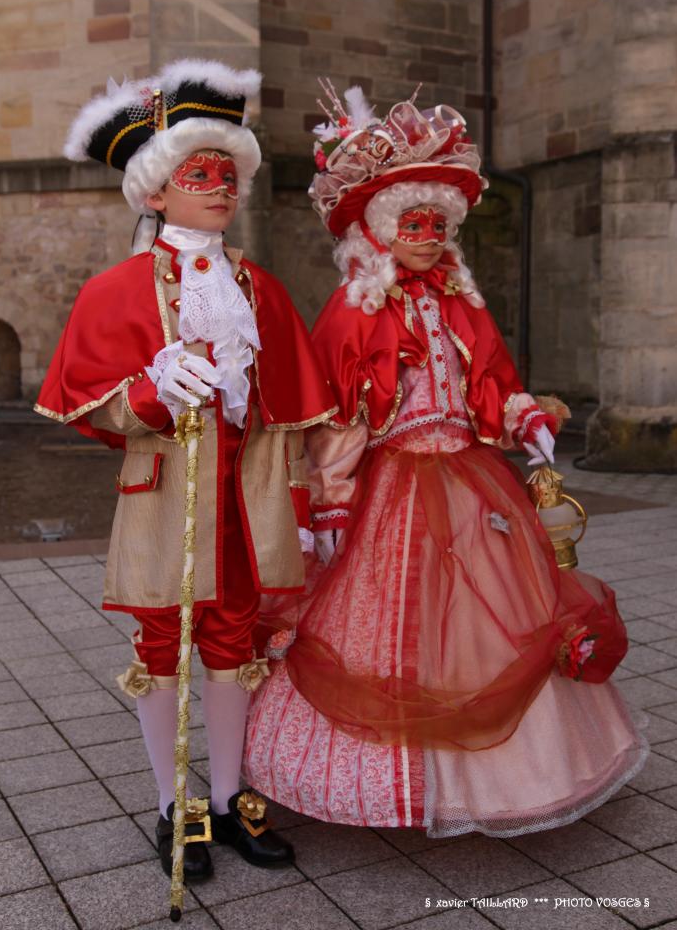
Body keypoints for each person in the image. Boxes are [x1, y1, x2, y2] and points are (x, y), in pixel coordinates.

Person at [244, 83, 647, 837]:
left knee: (500, 613)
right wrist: (329, 509)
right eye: (413, 223)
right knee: (393, 625)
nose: (428, 237)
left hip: (470, 476)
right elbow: (335, 421)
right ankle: (386, 784)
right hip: (392, 488)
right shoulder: (351, 312)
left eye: (438, 224)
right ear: (379, 231)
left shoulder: (461, 301)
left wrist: (521, 417)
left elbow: (490, 378)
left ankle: (525, 775)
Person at [35, 59, 336, 878]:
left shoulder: (262, 289)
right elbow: (92, 409)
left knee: (237, 640)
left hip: (247, 498)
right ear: (155, 192)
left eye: (228, 174)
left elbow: (296, 413)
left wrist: (311, 508)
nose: (221, 188)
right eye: (200, 174)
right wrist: (153, 387)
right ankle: (176, 808)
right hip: (169, 492)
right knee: (165, 642)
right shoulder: (116, 291)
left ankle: (234, 798)